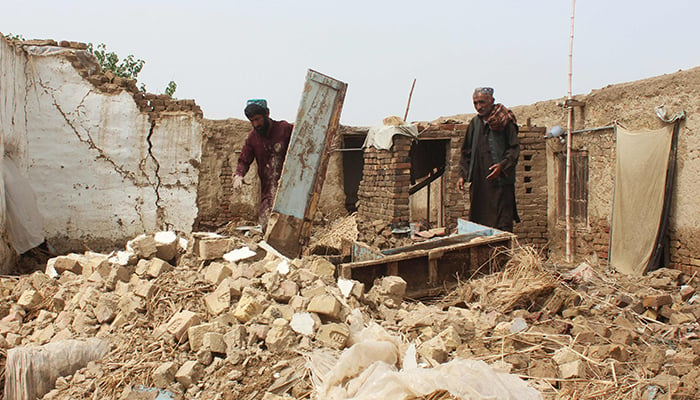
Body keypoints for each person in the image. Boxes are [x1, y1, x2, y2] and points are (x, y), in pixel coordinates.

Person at [457, 87, 520, 232]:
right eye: (475, 103)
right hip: (480, 183)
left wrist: (502, 166)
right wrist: (462, 175)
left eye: (482, 102)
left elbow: (514, 149)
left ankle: (502, 253)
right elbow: (466, 151)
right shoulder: (475, 123)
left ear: (491, 101)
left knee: (502, 221)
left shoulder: (505, 121)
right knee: (479, 223)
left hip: (500, 183)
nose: (479, 107)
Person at [233, 99, 293, 231]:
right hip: (268, 191)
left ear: (267, 113)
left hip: (290, 187)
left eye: (258, 119)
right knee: (266, 224)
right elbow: (244, 159)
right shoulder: (252, 138)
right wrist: (239, 174)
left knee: (291, 225)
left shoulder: (285, 129)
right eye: (252, 121)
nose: (256, 124)